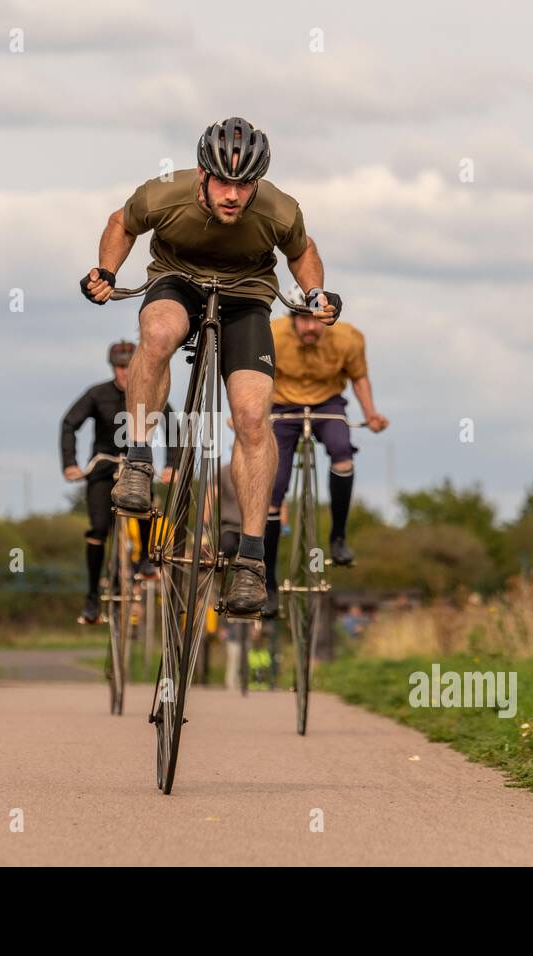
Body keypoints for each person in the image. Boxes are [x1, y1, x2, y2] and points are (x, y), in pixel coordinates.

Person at [80, 116, 343, 615]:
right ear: (202, 174)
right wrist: (106, 271)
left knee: (250, 416)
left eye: (244, 185)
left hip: (247, 297)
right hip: (176, 280)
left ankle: (249, 561)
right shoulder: (165, 194)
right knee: (157, 334)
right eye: (222, 181)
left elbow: (302, 251)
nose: (232, 195)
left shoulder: (279, 209)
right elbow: (122, 223)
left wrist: (314, 294)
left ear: (257, 183)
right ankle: (138, 460)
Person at [264, 310, 388, 613]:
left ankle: (339, 536)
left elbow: (359, 377)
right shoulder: (271, 334)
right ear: (292, 318)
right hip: (282, 405)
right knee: (272, 489)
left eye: (316, 320)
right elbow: (257, 377)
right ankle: (266, 582)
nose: (310, 326)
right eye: (303, 319)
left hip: (327, 403)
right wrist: (250, 416)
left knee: (342, 451)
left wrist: (370, 413)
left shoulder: (347, 338)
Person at [61, 340, 176, 625]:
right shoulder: (97, 394)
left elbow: (172, 424)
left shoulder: (148, 393)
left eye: (130, 366)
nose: (125, 373)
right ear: (113, 368)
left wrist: (172, 464)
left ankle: (147, 560)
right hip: (102, 469)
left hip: (137, 467)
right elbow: (69, 423)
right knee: (98, 529)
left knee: (145, 508)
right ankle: (91, 599)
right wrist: (70, 463)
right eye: (121, 367)